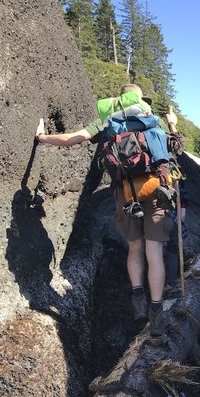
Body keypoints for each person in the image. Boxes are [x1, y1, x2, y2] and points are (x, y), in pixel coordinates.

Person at [35, 83, 178, 337]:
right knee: (153, 250)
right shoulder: (150, 119)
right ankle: (157, 315)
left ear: (117, 98)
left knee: (135, 247)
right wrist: (173, 123)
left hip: (126, 194)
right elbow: (176, 148)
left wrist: (41, 137)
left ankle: (139, 303)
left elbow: (71, 140)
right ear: (138, 97)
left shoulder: (107, 122)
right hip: (157, 191)